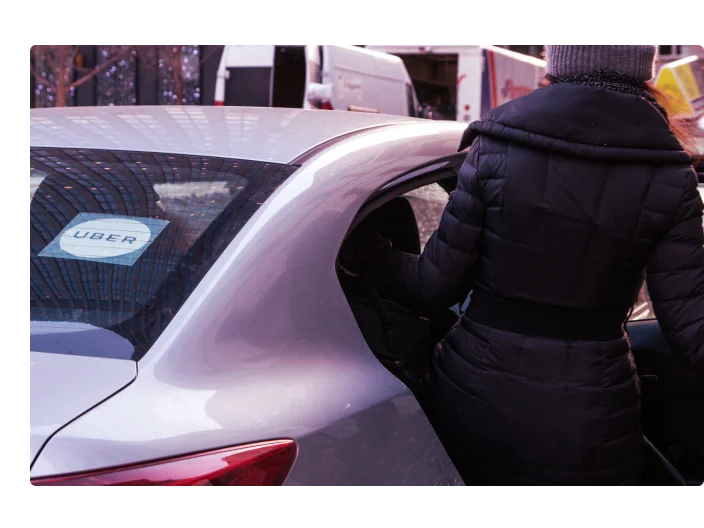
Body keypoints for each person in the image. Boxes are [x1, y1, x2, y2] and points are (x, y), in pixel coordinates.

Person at [341, 44, 704, 487]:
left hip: (473, 404)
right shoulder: (670, 173)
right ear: (642, 71)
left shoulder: (494, 146)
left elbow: (432, 285)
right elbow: (691, 326)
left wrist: (369, 256)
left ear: (558, 65)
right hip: (592, 424)